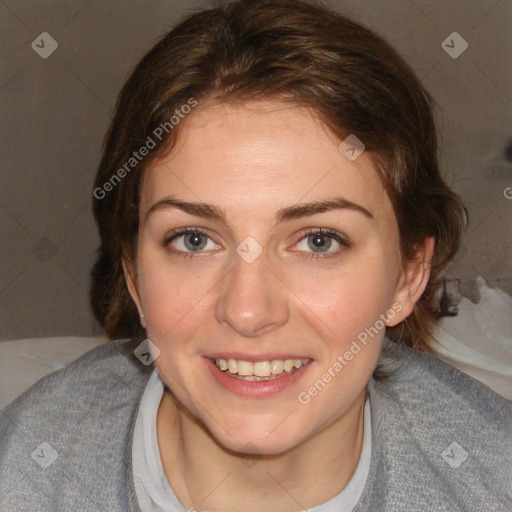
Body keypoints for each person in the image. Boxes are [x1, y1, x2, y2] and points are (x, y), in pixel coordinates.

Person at [1, 0, 511, 510]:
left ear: (408, 276)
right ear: (133, 273)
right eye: (194, 239)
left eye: (318, 241)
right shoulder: (25, 473)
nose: (247, 311)